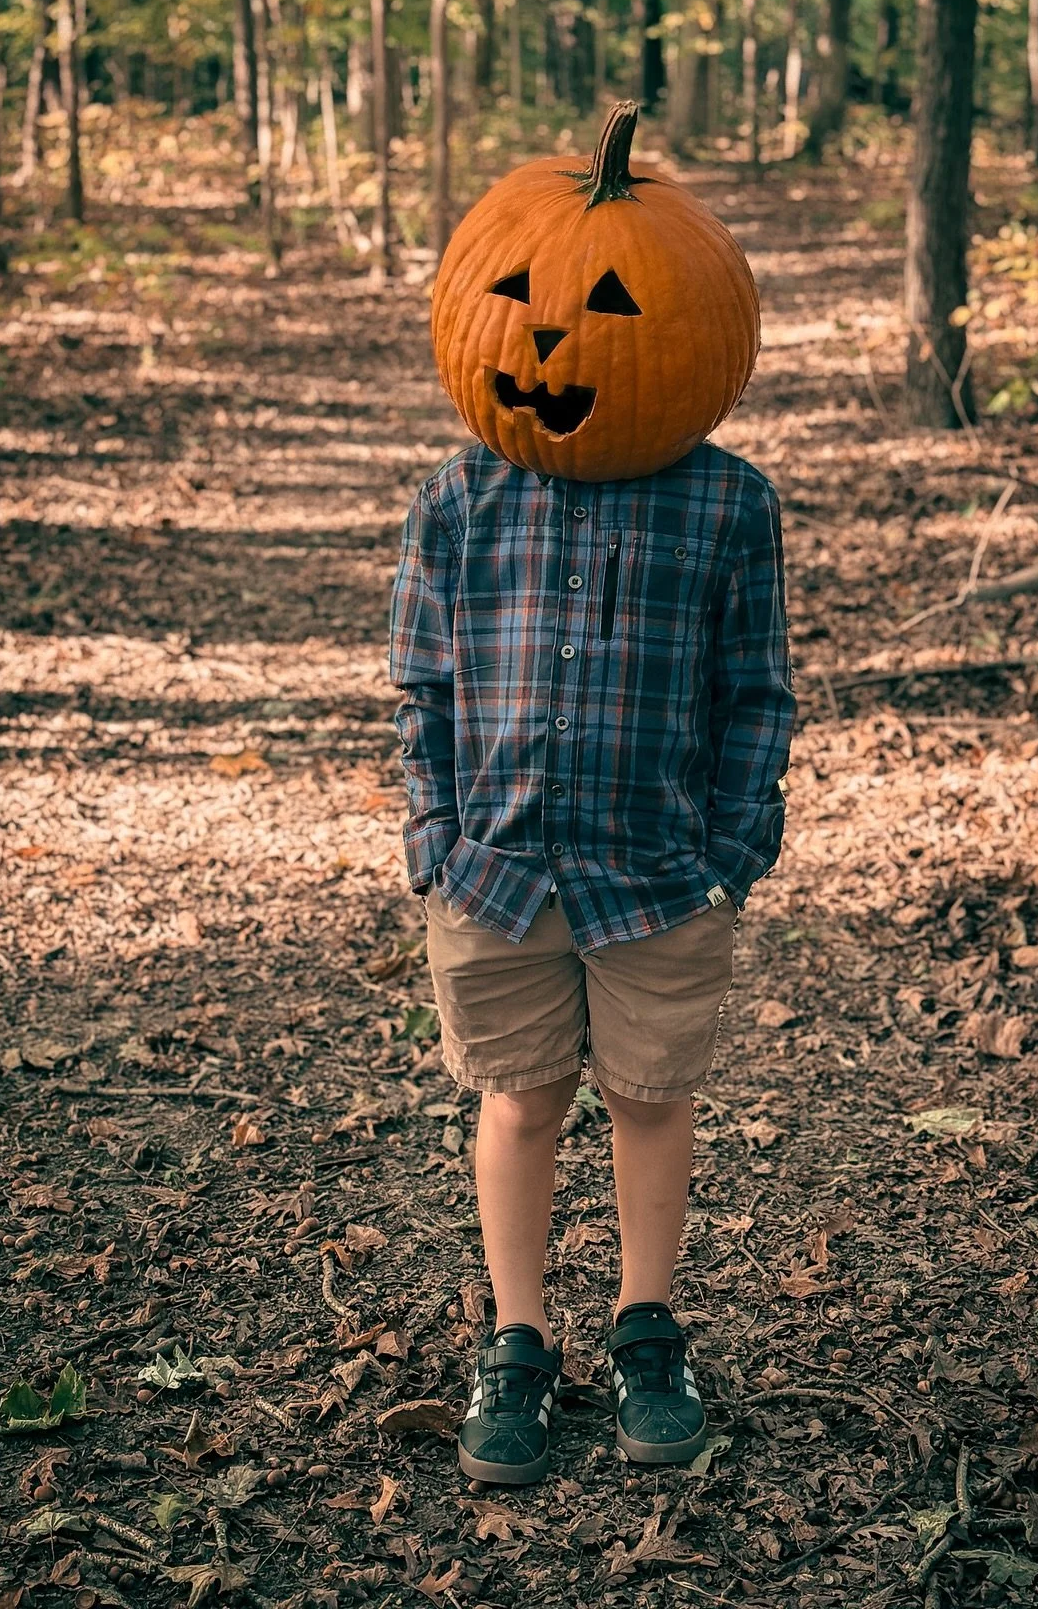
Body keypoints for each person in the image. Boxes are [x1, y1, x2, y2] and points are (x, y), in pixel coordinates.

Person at [388, 102, 796, 1485]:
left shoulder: (727, 506)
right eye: (521, 299)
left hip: (661, 874)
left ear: (690, 334)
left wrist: (734, 850)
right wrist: (434, 838)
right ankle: (518, 1342)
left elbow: (755, 691)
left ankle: (645, 1330)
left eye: (609, 308)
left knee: (648, 1100)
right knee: (518, 1101)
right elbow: (424, 685)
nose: (556, 340)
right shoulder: (459, 502)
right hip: (495, 870)